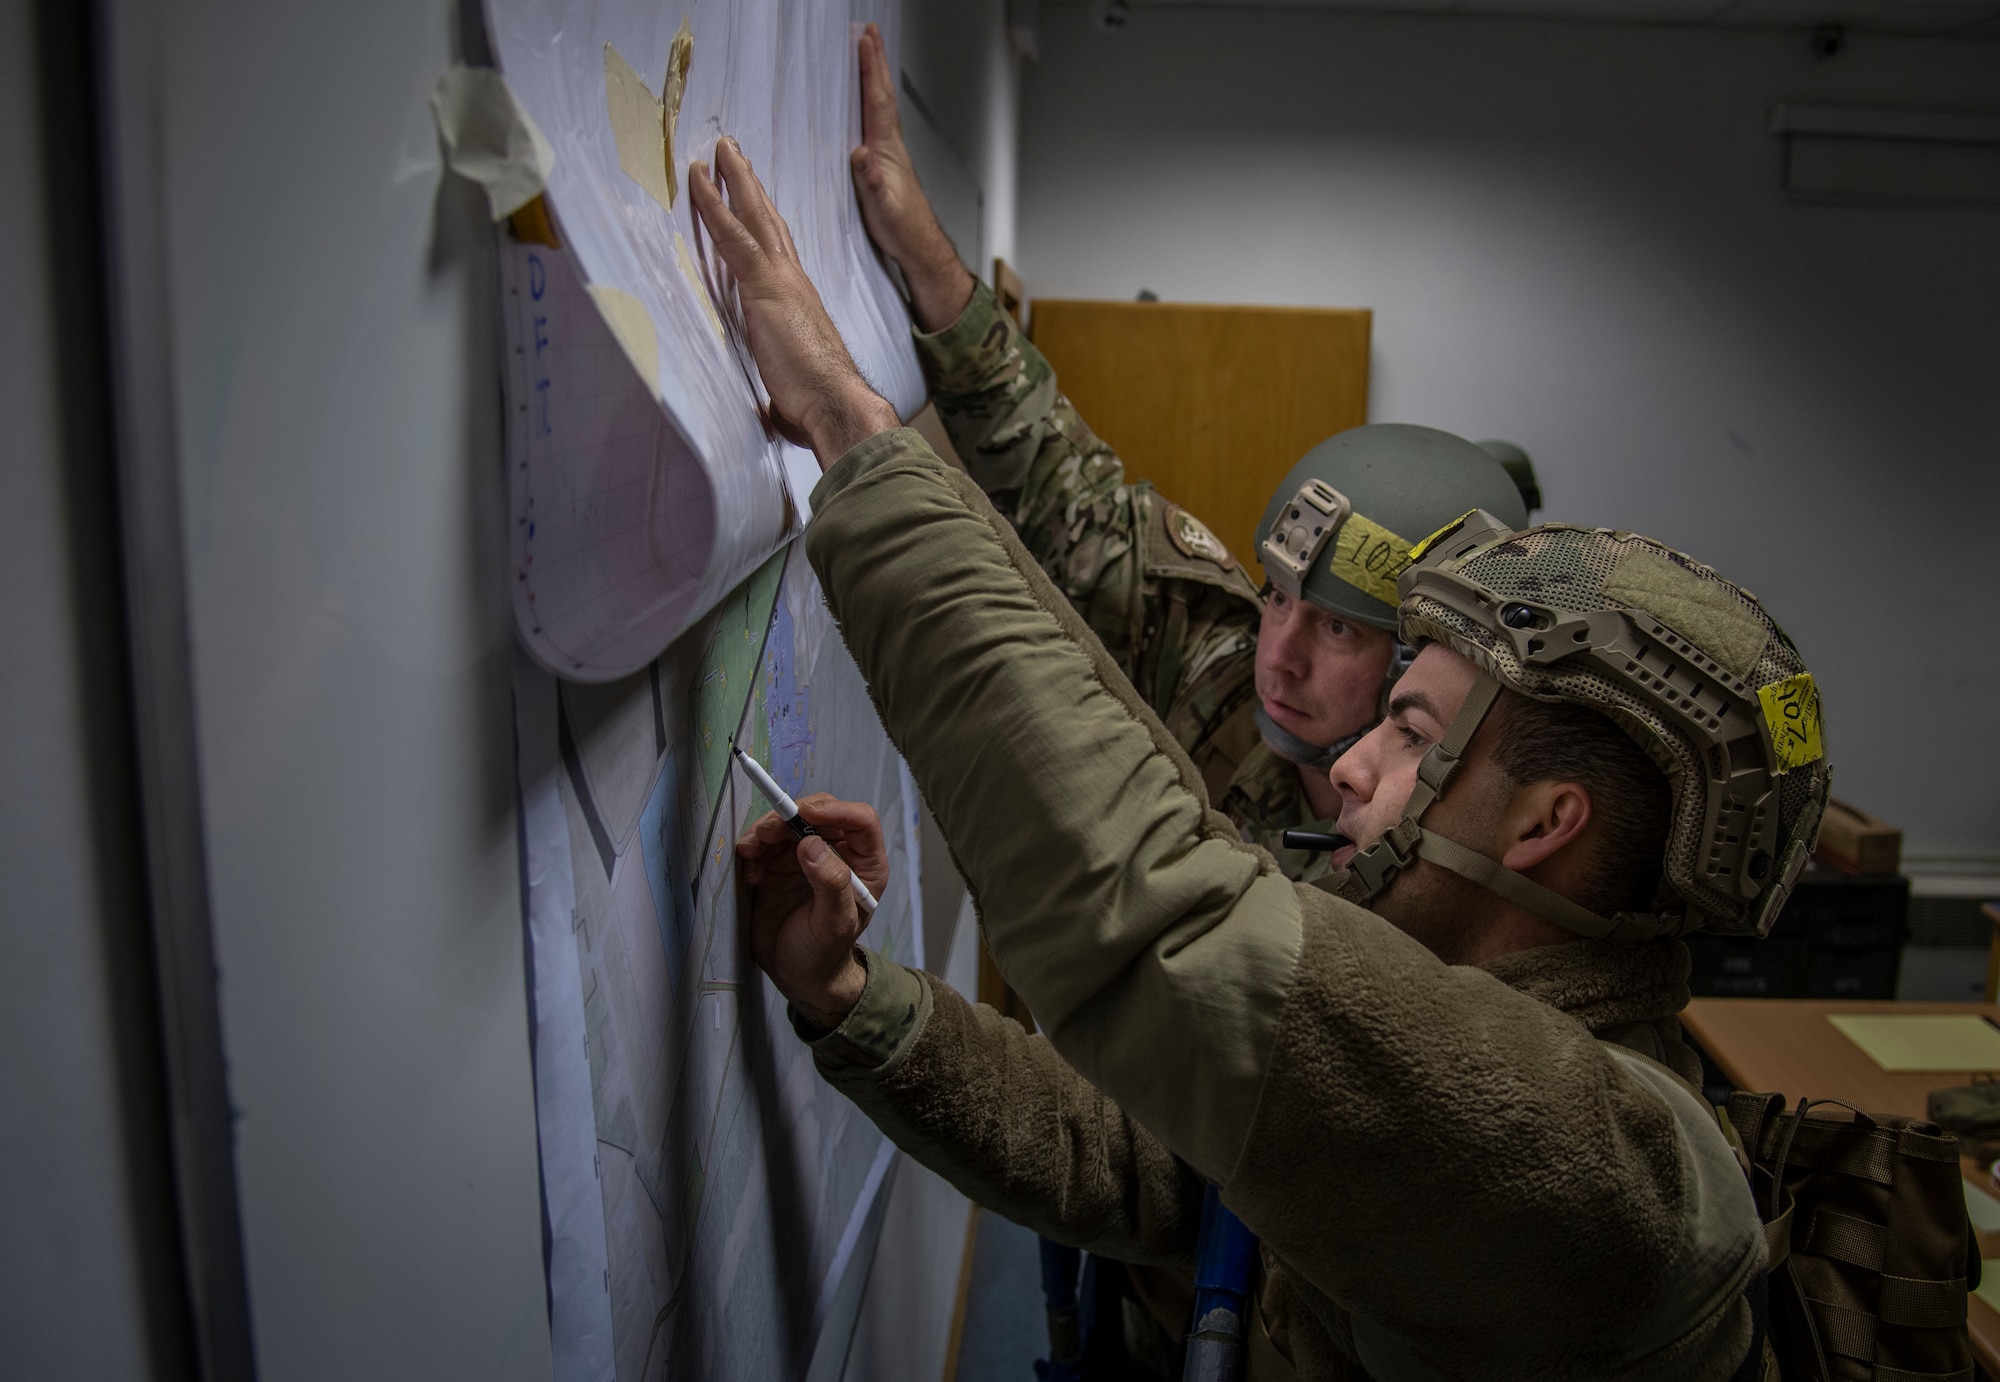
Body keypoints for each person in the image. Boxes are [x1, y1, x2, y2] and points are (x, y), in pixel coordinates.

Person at [689, 98, 1829, 1382]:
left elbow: (1169, 930)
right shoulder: (1441, 999)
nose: (1345, 764)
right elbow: (1140, 1158)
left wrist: (853, 434)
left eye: (1403, 727)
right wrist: (850, 997)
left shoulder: (1606, 1171)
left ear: (1543, 821)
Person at [846, 24, 1527, 883]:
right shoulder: (1223, 669)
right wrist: (926, 262)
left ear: (1423, 666)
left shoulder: (1458, 878)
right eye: (1278, 598)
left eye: (1340, 627)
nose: (1276, 655)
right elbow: (1066, 495)